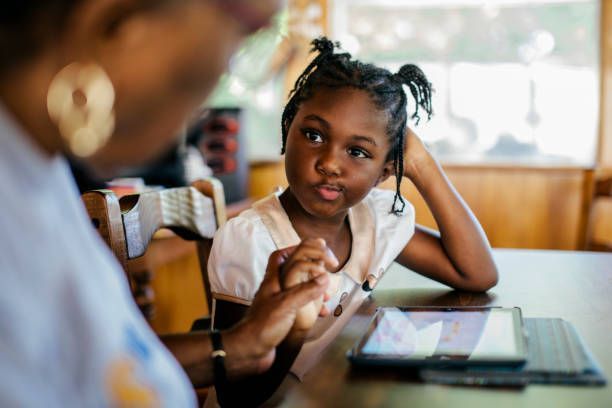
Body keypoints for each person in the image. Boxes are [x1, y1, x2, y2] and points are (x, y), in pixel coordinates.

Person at [0, 1, 339, 406]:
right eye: (242, 36)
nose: (211, 94)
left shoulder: (38, 170)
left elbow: (99, 362)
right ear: (114, 21)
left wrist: (242, 343)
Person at [208, 37, 499, 405]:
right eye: (313, 135)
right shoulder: (250, 240)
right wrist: (294, 326)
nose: (329, 162)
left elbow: (478, 274)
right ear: (288, 128)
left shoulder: (374, 219)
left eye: (358, 151)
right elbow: (237, 396)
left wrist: (422, 164)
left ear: (384, 173)